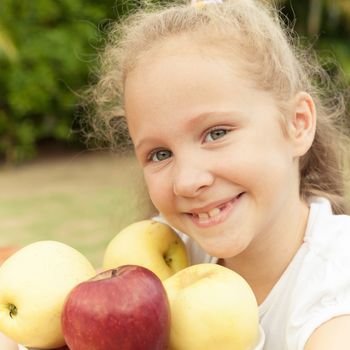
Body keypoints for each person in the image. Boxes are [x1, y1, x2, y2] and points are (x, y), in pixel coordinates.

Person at [1, 0, 349, 349]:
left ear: (297, 124)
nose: (187, 181)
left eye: (216, 133)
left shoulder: (336, 283)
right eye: (160, 154)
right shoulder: (165, 256)